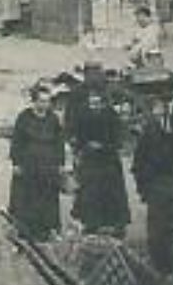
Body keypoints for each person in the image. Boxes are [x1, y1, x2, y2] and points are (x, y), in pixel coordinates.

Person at [132, 99, 173, 272]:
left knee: (172, 230)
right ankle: (165, 267)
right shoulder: (152, 134)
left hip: (170, 185)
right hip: (165, 185)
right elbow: (139, 164)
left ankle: (170, 267)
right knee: (163, 231)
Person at [70, 86, 130, 236]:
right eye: (92, 103)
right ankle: (91, 223)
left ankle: (116, 225)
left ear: (103, 103)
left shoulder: (111, 116)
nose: (94, 106)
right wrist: (80, 148)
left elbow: (118, 140)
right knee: (90, 193)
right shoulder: (83, 116)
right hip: (90, 161)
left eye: (97, 103)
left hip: (108, 161)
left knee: (112, 193)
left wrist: (103, 146)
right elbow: (77, 137)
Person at [9, 82, 67, 240]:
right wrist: (16, 163)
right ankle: (25, 233)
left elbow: (59, 142)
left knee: (47, 198)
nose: (44, 105)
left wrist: (61, 163)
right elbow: (17, 141)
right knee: (27, 199)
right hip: (29, 165)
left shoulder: (53, 119)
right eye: (41, 101)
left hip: (48, 165)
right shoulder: (24, 117)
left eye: (47, 101)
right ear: (34, 101)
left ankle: (47, 231)